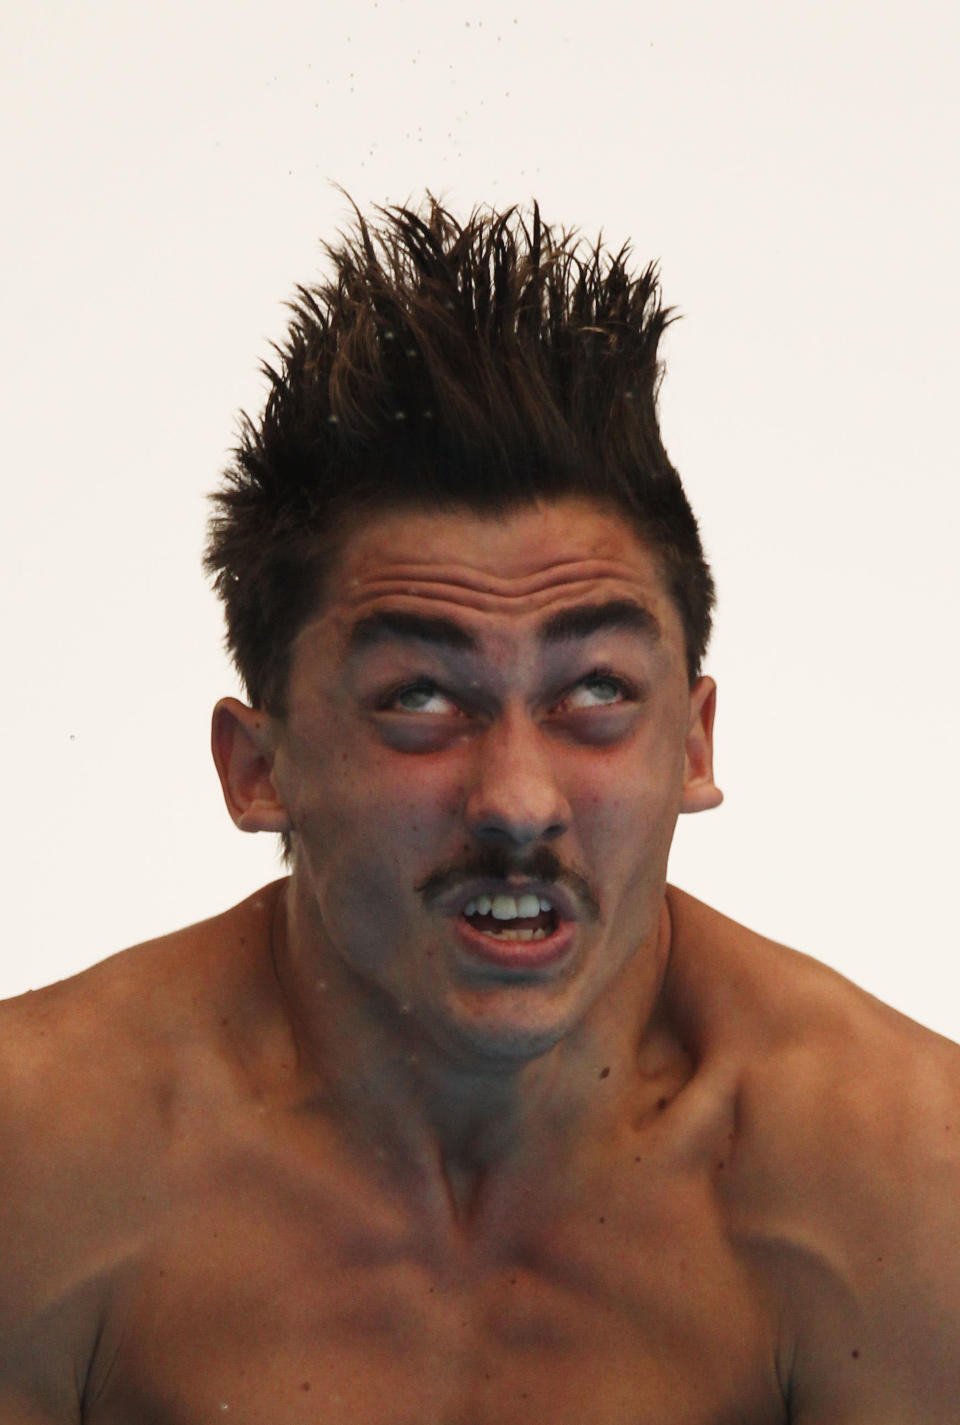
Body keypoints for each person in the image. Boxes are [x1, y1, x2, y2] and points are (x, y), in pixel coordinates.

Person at [2, 197, 958, 1425]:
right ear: (257, 769)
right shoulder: (44, 1164)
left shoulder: (890, 1185)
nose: (516, 801)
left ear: (696, 744)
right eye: (420, 699)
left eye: (596, 694)